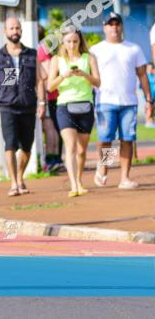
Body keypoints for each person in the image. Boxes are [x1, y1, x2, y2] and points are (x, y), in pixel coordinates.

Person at [90, 13, 152, 189]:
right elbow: (90, 77)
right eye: (110, 24)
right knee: (106, 138)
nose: (114, 28)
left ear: (121, 26)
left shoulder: (134, 49)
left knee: (127, 139)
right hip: (105, 101)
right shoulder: (96, 50)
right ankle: (104, 167)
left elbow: (142, 75)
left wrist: (149, 100)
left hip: (129, 102)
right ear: (104, 27)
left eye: (117, 24)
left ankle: (124, 177)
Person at [0, 17, 46, 197]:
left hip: (28, 105)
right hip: (7, 105)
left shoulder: (32, 54)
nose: (14, 31)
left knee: (26, 146)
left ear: (21, 30)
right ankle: (14, 183)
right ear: (5, 32)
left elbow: (39, 79)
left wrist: (42, 102)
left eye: (17, 28)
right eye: (11, 28)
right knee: (10, 144)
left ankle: (20, 176)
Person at [47, 26, 100, 197]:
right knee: (70, 146)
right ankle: (73, 185)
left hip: (85, 106)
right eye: (68, 41)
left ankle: (79, 179)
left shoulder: (89, 58)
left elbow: (98, 82)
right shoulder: (56, 60)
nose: (72, 45)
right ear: (63, 41)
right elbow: (50, 87)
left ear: (80, 41)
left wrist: (84, 74)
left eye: (75, 41)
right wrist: (64, 76)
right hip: (64, 106)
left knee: (82, 150)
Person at [37, 25, 64, 172]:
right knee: (53, 127)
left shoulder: (41, 50)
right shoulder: (44, 49)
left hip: (50, 96)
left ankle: (53, 158)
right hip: (51, 95)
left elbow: (47, 74)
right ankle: (55, 158)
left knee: (51, 127)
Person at [146, 64, 155, 129]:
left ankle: (150, 121)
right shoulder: (147, 77)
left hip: (154, 96)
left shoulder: (153, 76)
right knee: (149, 108)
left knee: (152, 109)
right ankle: (148, 122)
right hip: (148, 96)